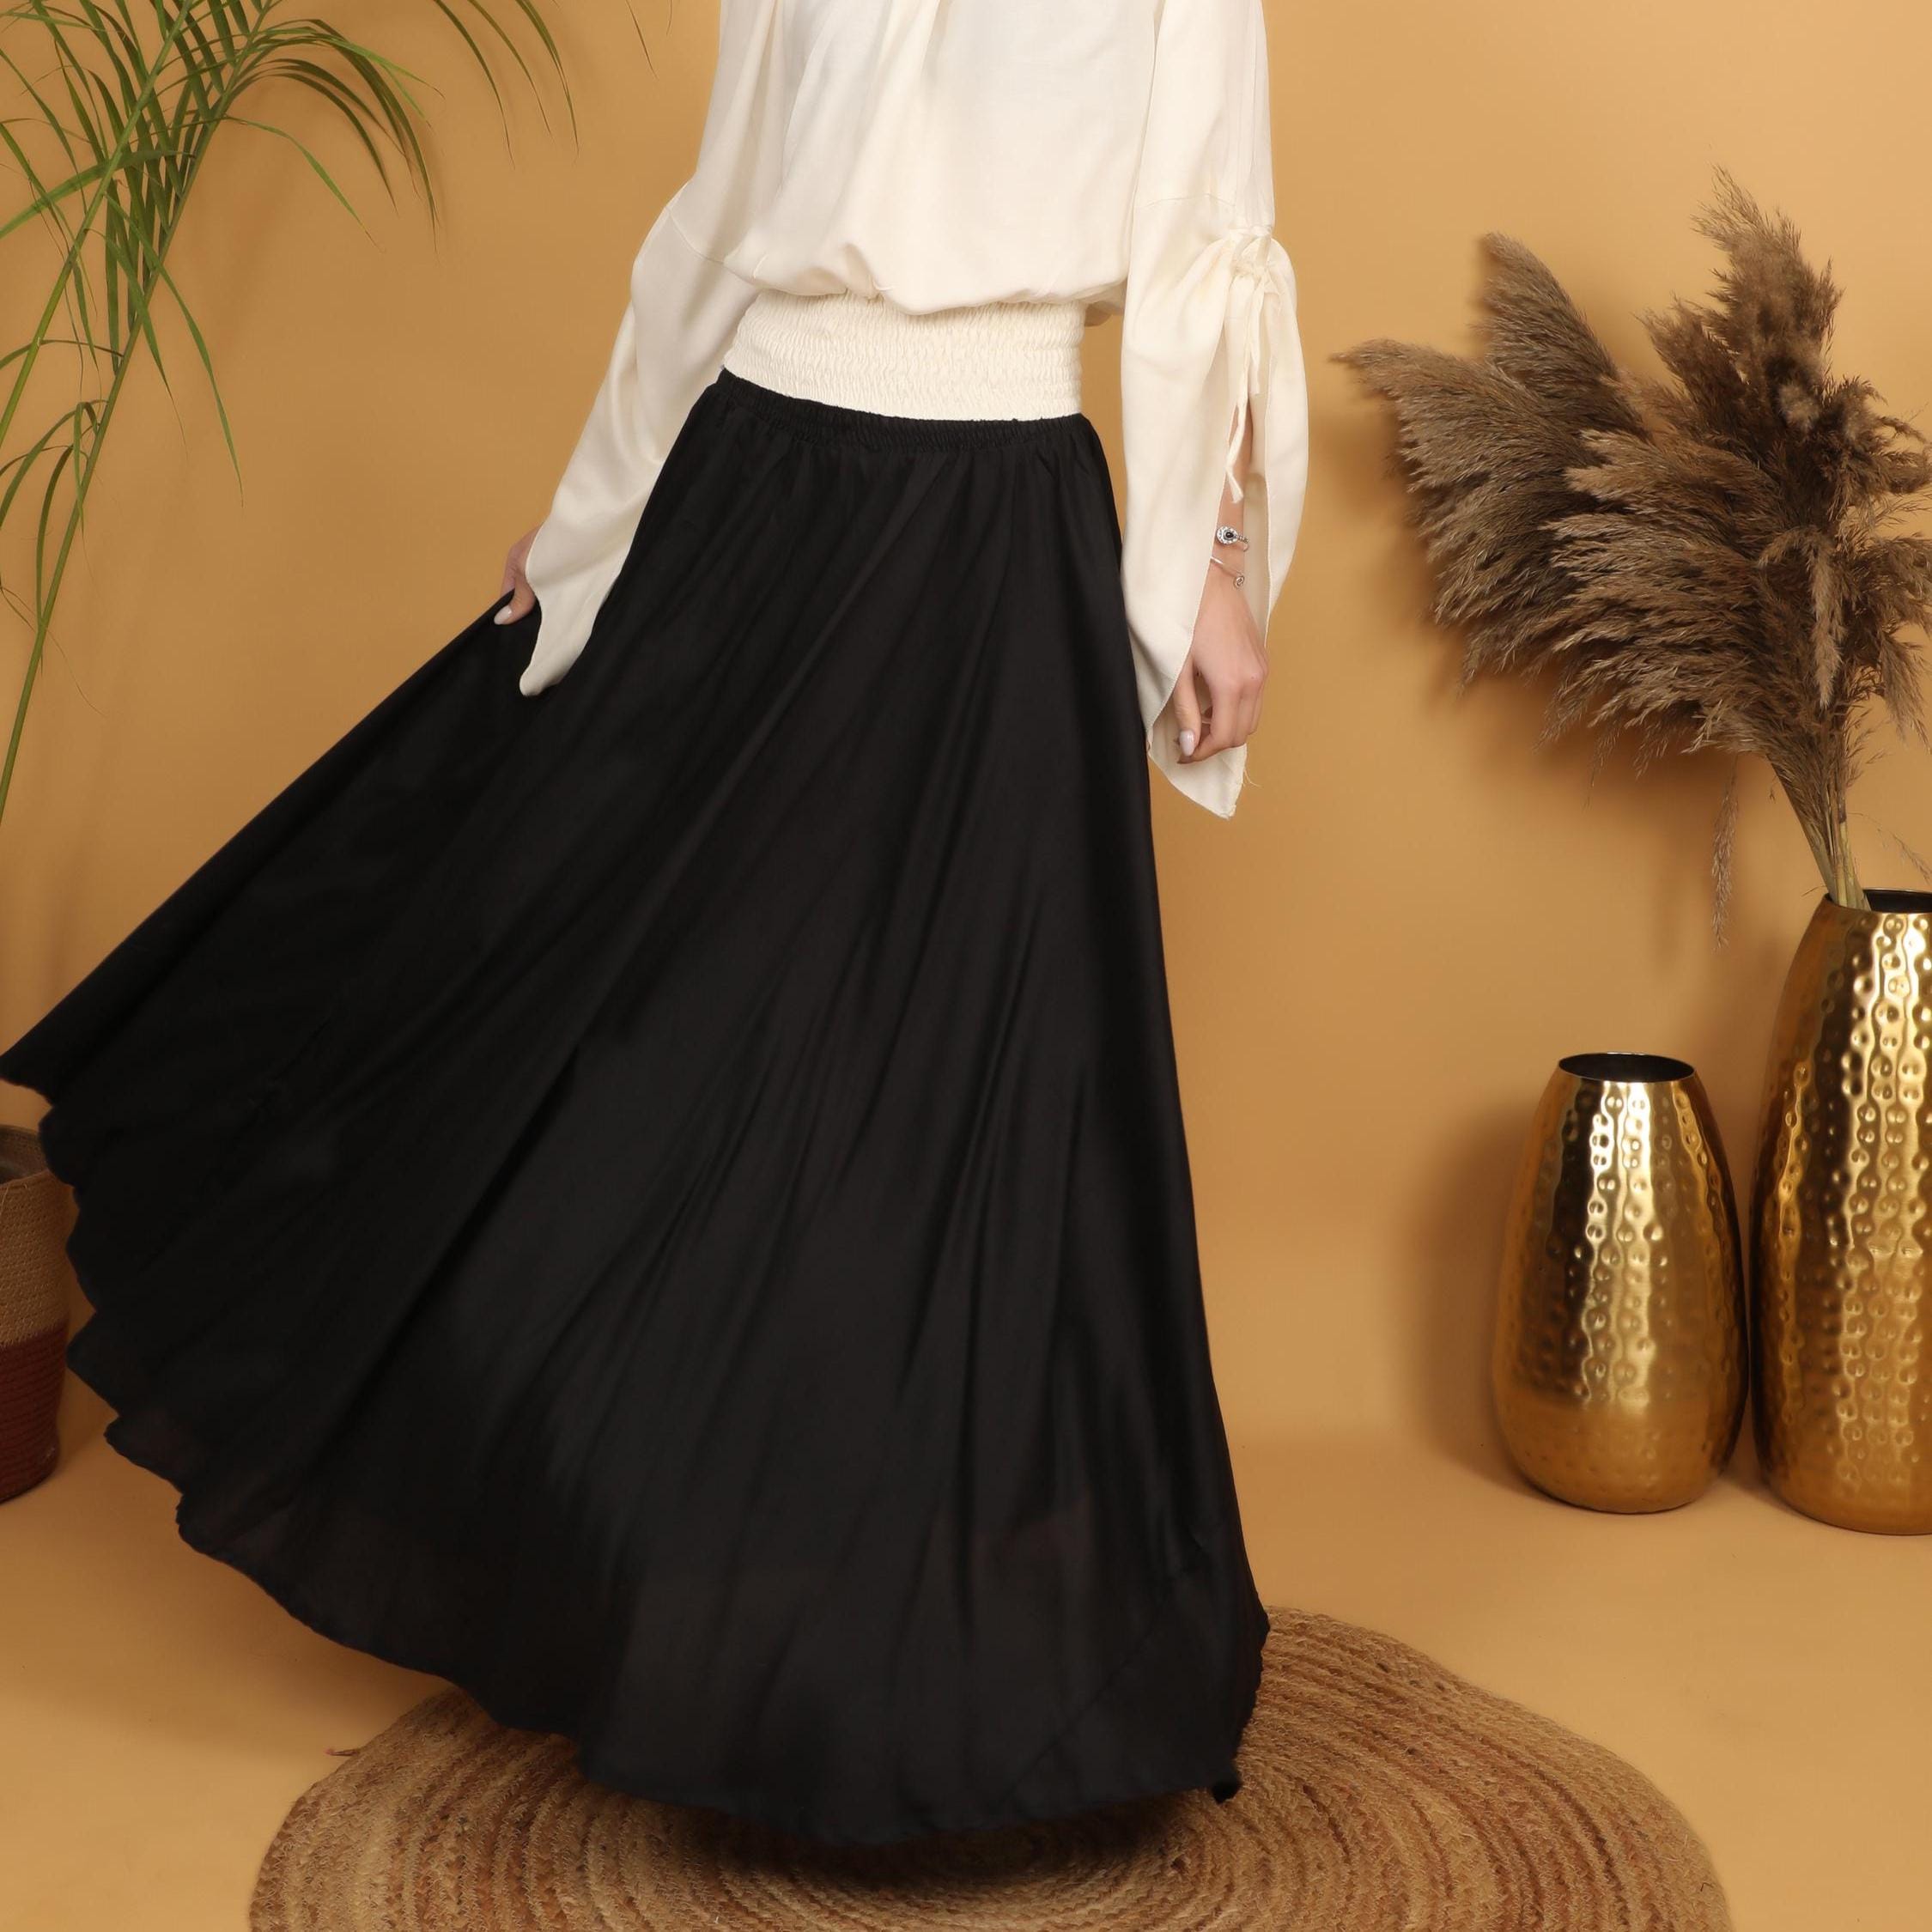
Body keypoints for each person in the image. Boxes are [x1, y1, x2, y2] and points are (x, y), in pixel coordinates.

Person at [0, 0, 1309, 1848]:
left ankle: (919, 1667)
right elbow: (716, 225)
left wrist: (1212, 572)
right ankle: (692, 1614)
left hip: (978, 526)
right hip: (759, 494)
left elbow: (1203, 249)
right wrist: (593, 520)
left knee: (967, 1094)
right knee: (660, 1038)